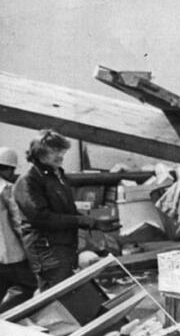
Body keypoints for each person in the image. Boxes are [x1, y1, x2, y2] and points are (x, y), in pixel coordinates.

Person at [13, 130, 117, 289]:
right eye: (54, 151)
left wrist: (94, 223)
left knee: (68, 295)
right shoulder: (29, 180)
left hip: (64, 247)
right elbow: (41, 218)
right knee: (59, 298)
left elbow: (68, 212)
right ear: (39, 152)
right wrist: (83, 220)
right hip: (47, 250)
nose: (60, 155)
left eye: (62, 151)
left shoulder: (56, 176)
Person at [0, 147, 38, 311]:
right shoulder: (7, 189)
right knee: (28, 285)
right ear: (8, 168)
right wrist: (32, 249)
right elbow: (18, 221)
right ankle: (4, 318)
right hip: (12, 253)